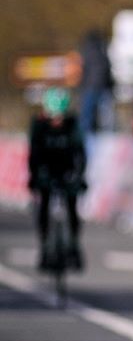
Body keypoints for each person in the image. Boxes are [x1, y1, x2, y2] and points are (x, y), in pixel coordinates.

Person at [28, 87, 86, 270]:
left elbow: (81, 153)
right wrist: (34, 176)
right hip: (46, 169)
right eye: (53, 116)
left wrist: (80, 176)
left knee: (72, 204)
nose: (57, 120)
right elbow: (33, 154)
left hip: (67, 169)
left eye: (60, 116)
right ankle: (45, 245)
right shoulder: (39, 125)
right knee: (43, 204)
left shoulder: (73, 124)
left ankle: (74, 245)